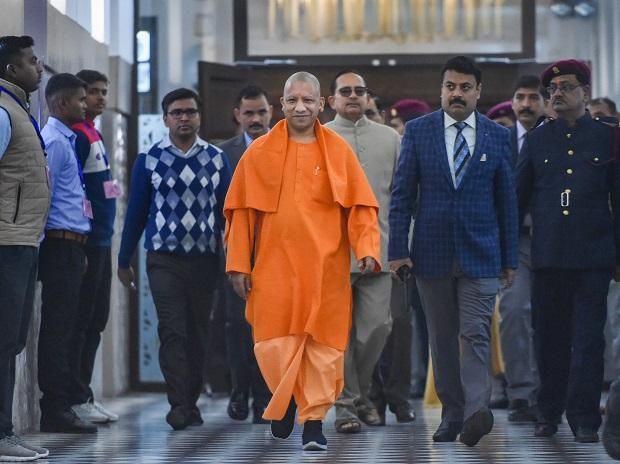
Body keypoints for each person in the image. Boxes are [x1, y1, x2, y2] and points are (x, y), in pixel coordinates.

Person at [224, 71, 380, 451]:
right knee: (273, 344)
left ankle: (313, 423)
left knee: (322, 348)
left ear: (321, 105)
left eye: (308, 100)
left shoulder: (338, 151)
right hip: (273, 268)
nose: (300, 107)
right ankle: (285, 403)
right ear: (282, 104)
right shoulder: (257, 152)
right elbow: (241, 215)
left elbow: (360, 207)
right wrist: (239, 265)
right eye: (292, 100)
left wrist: (368, 249)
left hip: (324, 268)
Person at [389, 55, 518, 447]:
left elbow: (506, 202)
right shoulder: (418, 132)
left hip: (482, 252)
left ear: (478, 91)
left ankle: (478, 410)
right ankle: (452, 413)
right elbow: (402, 195)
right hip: (431, 252)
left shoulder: (498, 136)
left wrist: (510, 259)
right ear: (441, 89)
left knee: (475, 333)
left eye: (465, 87)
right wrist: (398, 249)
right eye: (450, 87)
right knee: (442, 338)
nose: (456, 94)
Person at [117, 88, 232, 430]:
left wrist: (238, 259)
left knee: (198, 332)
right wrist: (124, 260)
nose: (184, 118)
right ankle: (178, 404)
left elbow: (229, 215)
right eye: (177, 112)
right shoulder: (149, 159)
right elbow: (136, 213)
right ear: (166, 118)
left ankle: (191, 400)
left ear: (199, 117)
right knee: (172, 330)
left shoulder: (216, 158)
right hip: (163, 259)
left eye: (190, 112)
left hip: (205, 260)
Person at [517, 59, 620, 443]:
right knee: (549, 337)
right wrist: (509, 255)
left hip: (594, 254)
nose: (557, 94)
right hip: (549, 254)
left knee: (589, 339)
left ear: (585, 93)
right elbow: (520, 195)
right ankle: (548, 411)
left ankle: (584, 417)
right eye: (552, 89)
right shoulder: (539, 139)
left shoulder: (607, 137)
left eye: (565, 87)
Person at [325, 70, 399, 433]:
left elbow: (402, 198)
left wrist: (403, 246)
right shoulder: (317, 138)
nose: (353, 96)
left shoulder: (390, 138)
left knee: (376, 329)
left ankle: (359, 395)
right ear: (332, 100)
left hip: (379, 249)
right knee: (338, 336)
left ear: (368, 97)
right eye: (345, 91)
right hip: (330, 252)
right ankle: (346, 408)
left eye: (360, 91)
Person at [0, 34, 50, 461]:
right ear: (11, 69)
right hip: (5, 243)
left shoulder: (18, 109)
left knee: (11, 340)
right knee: (2, 341)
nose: (39, 67)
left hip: (21, 240)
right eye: (32, 61)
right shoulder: (2, 112)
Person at [38, 73, 94, 434]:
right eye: (80, 100)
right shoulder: (55, 143)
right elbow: (46, 198)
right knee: (58, 330)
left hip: (72, 245)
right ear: (61, 104)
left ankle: (64, 401)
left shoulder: (69, 139)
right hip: (58, 246)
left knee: (70, 326)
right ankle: (55, 407)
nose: (85, 105)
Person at [492, 75, 546, 423]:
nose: (526, 104)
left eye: (533, 98)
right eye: (520, 97)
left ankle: (552, 389)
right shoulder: (500, 140)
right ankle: (522, 393)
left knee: (552, 317)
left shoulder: (555, 137)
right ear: (512, 102)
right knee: (512, 312)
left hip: (555, 239)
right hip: (514, 241)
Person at [218, 85, 273, 424]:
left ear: (271, 113)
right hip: (236, 254)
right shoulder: (222, 154)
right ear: (238, 115)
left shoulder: (285, 149)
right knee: (238, 327)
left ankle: (266, 399)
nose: (256, 119)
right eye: (249, 113)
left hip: (276, 255)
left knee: (269, 330)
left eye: (261, 112)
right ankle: (239, 391)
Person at [67, 69, 119, 425]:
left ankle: (84, 391)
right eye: (94, 92)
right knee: (80, 321)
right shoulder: (75, 135)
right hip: (87, 241)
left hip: (103, 239)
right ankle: (73, 397)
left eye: (104, 91)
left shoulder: (94, 132)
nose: (100, 98)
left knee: (96, 320)